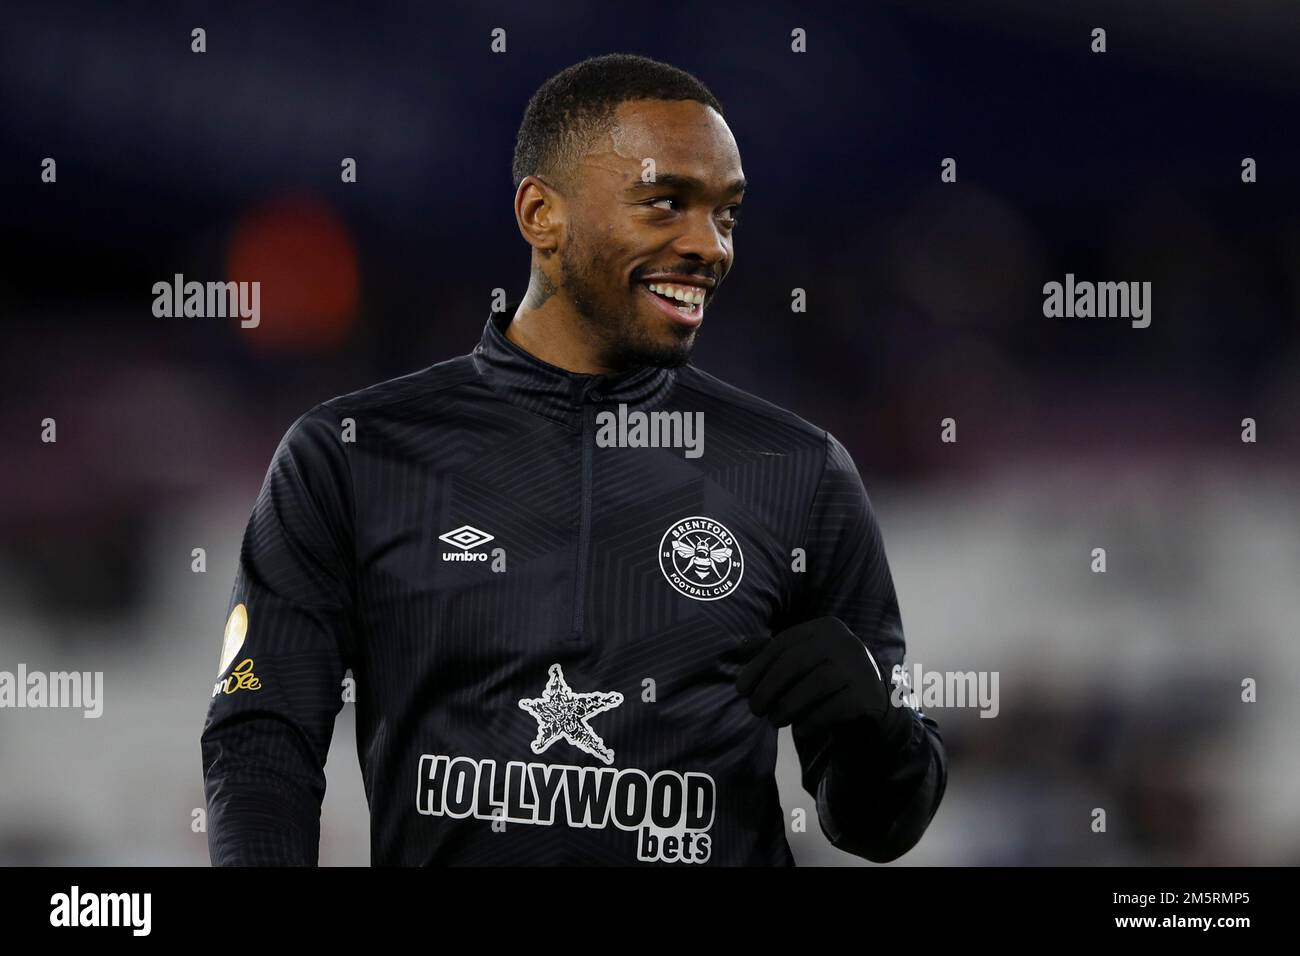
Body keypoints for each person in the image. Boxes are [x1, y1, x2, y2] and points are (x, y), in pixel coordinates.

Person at [201, 52, 946, 866]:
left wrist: (879, 731)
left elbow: (878, 827)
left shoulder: (799, 471)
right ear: (540, 215)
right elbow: (261, 739)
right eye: (665, 204)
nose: (710, 246)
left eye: (726, 214)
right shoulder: (351, 455)